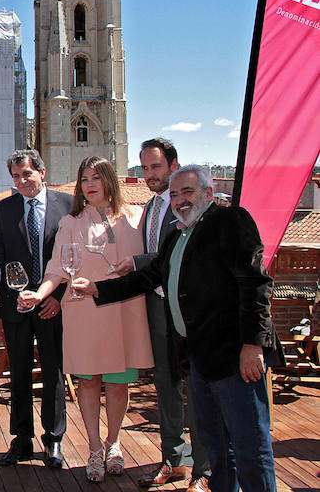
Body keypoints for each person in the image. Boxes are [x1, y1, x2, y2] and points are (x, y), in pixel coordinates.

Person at [73, 165, 284, 492]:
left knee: (250, 446)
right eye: (174, 194)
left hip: (236, 358)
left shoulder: (230, 221)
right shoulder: (177, 234)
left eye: (188, 192)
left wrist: (253, 346)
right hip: (199, 360)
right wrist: (98, 289)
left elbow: (256, 284)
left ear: (209, 193)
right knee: (217, 447)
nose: (180, 200)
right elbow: (149, 277)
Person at [20, 156, 152, 482]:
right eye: (84, 179)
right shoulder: (71, 222)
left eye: (97, 177)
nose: (90, 184)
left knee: (119, 383)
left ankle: (114, 441)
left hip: (124, 311)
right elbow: (56, 269)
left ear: (110, 180)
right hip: (83, 312)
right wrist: (40, 294)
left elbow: (154, 260)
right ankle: (95, 446)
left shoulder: (137, 218)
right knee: (89, 381)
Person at [113, 139, 210, 492]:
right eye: (144, 167)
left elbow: (171, 255)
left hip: (188, 309)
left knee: (197, 388)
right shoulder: (151, 206)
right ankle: (174, 461)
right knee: (166, 385)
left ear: (174, 165)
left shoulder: (190, 206)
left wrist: (135, 264)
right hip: (156, 306)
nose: (148, 174)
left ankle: (205, 469)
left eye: (155, 167)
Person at [0, 150, 72, 469]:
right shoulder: (3, 209)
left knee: (54, 371)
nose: (21, 181)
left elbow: (74, 257)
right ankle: (21, 440)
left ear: (42, 172)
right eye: (16, 177)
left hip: (53, 305)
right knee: (18, 372)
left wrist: (58, 296)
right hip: (16, 304)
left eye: (26, 174)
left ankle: (54, 439)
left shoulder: (69, 205)